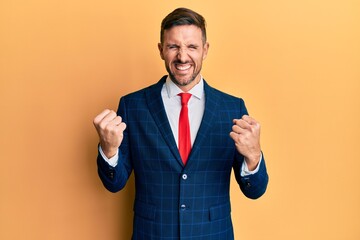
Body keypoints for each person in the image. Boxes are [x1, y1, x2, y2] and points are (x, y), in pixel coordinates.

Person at [93, 7, 268, 240]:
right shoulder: (133, 106)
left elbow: (254, 191)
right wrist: (109, 149)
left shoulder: (232, 109)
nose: (182, 57)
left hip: (213, 234)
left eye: (192, 47)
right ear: (161, 50)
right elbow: (114, 184)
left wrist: (254, 156)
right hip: (153, 234)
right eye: (173, 46)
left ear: (205, 50)